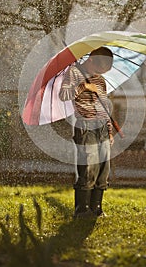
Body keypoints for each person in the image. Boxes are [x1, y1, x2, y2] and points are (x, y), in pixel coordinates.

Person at [59, 47, 114, 218]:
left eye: (104, 71)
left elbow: (104, 105)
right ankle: (81, 209)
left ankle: (96, 208)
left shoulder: (100, 80)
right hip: (86, 126)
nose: (100, 73)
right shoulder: (74, 73)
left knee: (103, 169)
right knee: (88, 168)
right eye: (99, 69)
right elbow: (63, 94)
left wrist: (109, 129)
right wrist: (83, 86)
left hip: (102, 128)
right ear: (91, 60)